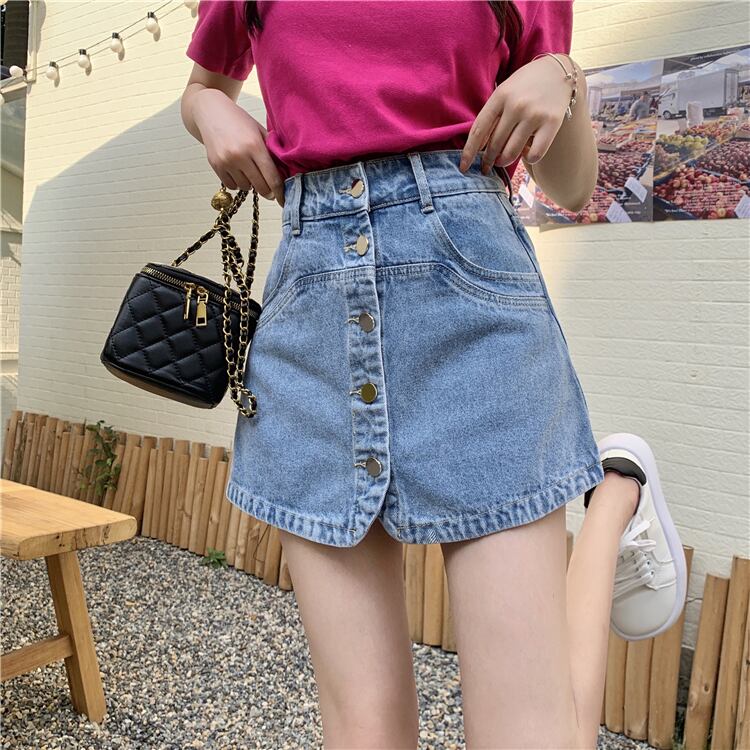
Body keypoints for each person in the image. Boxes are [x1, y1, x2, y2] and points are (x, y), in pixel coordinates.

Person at [180, 2, 687, 747]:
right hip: (313, 316)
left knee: (530, 732)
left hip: (473, 301)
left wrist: (563, 75)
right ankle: (613, 490)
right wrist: (208, 111)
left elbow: (574, 186)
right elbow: (202, 88)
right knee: (364, 730)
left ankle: (614, 499)